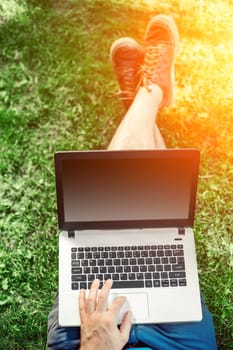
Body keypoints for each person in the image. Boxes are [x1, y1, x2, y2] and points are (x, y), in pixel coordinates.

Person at [47, 15, 217, 350]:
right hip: (174, 343)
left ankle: (144, 98)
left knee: (102, 220)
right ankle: (150, 94)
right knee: (136, 209)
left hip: (87, 339)